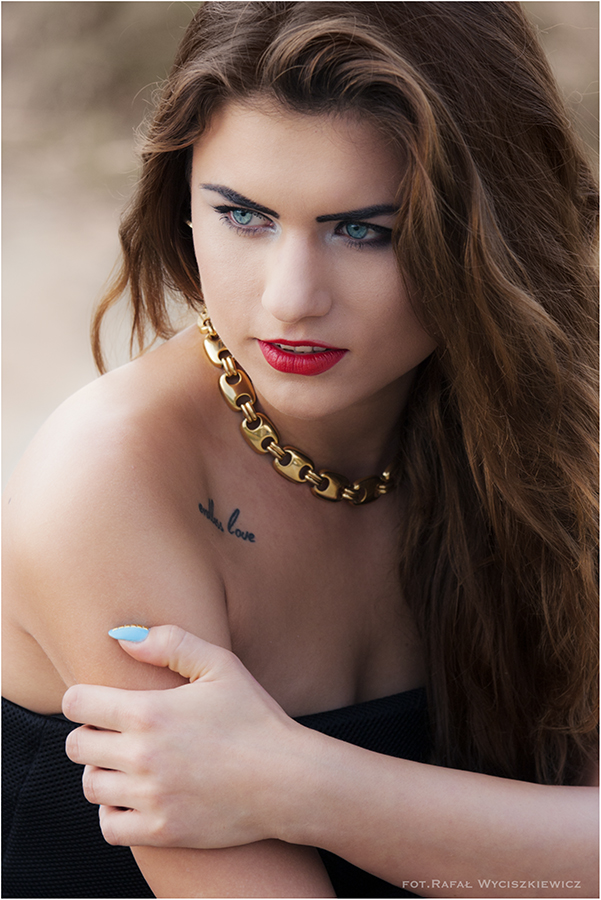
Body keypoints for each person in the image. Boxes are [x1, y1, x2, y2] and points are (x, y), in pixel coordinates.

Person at [2, 2, 598, 898]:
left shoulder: (551, 432)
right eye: (243, 215)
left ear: (492, 230)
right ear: (180, 200)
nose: (290, 299)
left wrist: (300, 786)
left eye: (364, 230)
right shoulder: (109, 480)